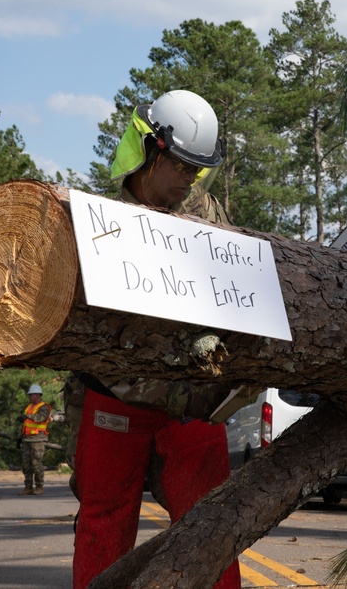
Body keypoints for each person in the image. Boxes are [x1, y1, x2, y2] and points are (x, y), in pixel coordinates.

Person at [71, 90, 241, 589]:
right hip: (113, 394)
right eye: (184, 165)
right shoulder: (101, 218)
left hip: (191, 399)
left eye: (198, 168)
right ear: (152, 151)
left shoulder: (207, 214)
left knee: (211, 521)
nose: (191, 178)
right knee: (104, 519)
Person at [19, 383, 52, 496]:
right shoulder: (29, 407)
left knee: (36, 464)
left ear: (37, 395)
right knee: (26, 465)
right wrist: (20, 437)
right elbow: (25, 425)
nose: (30, 397)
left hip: (38, 439)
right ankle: (28, 487)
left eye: (31, 395)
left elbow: (41, 418)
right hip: (27, 439)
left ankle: (39, 486)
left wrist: (28, 417)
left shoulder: (44, 407)